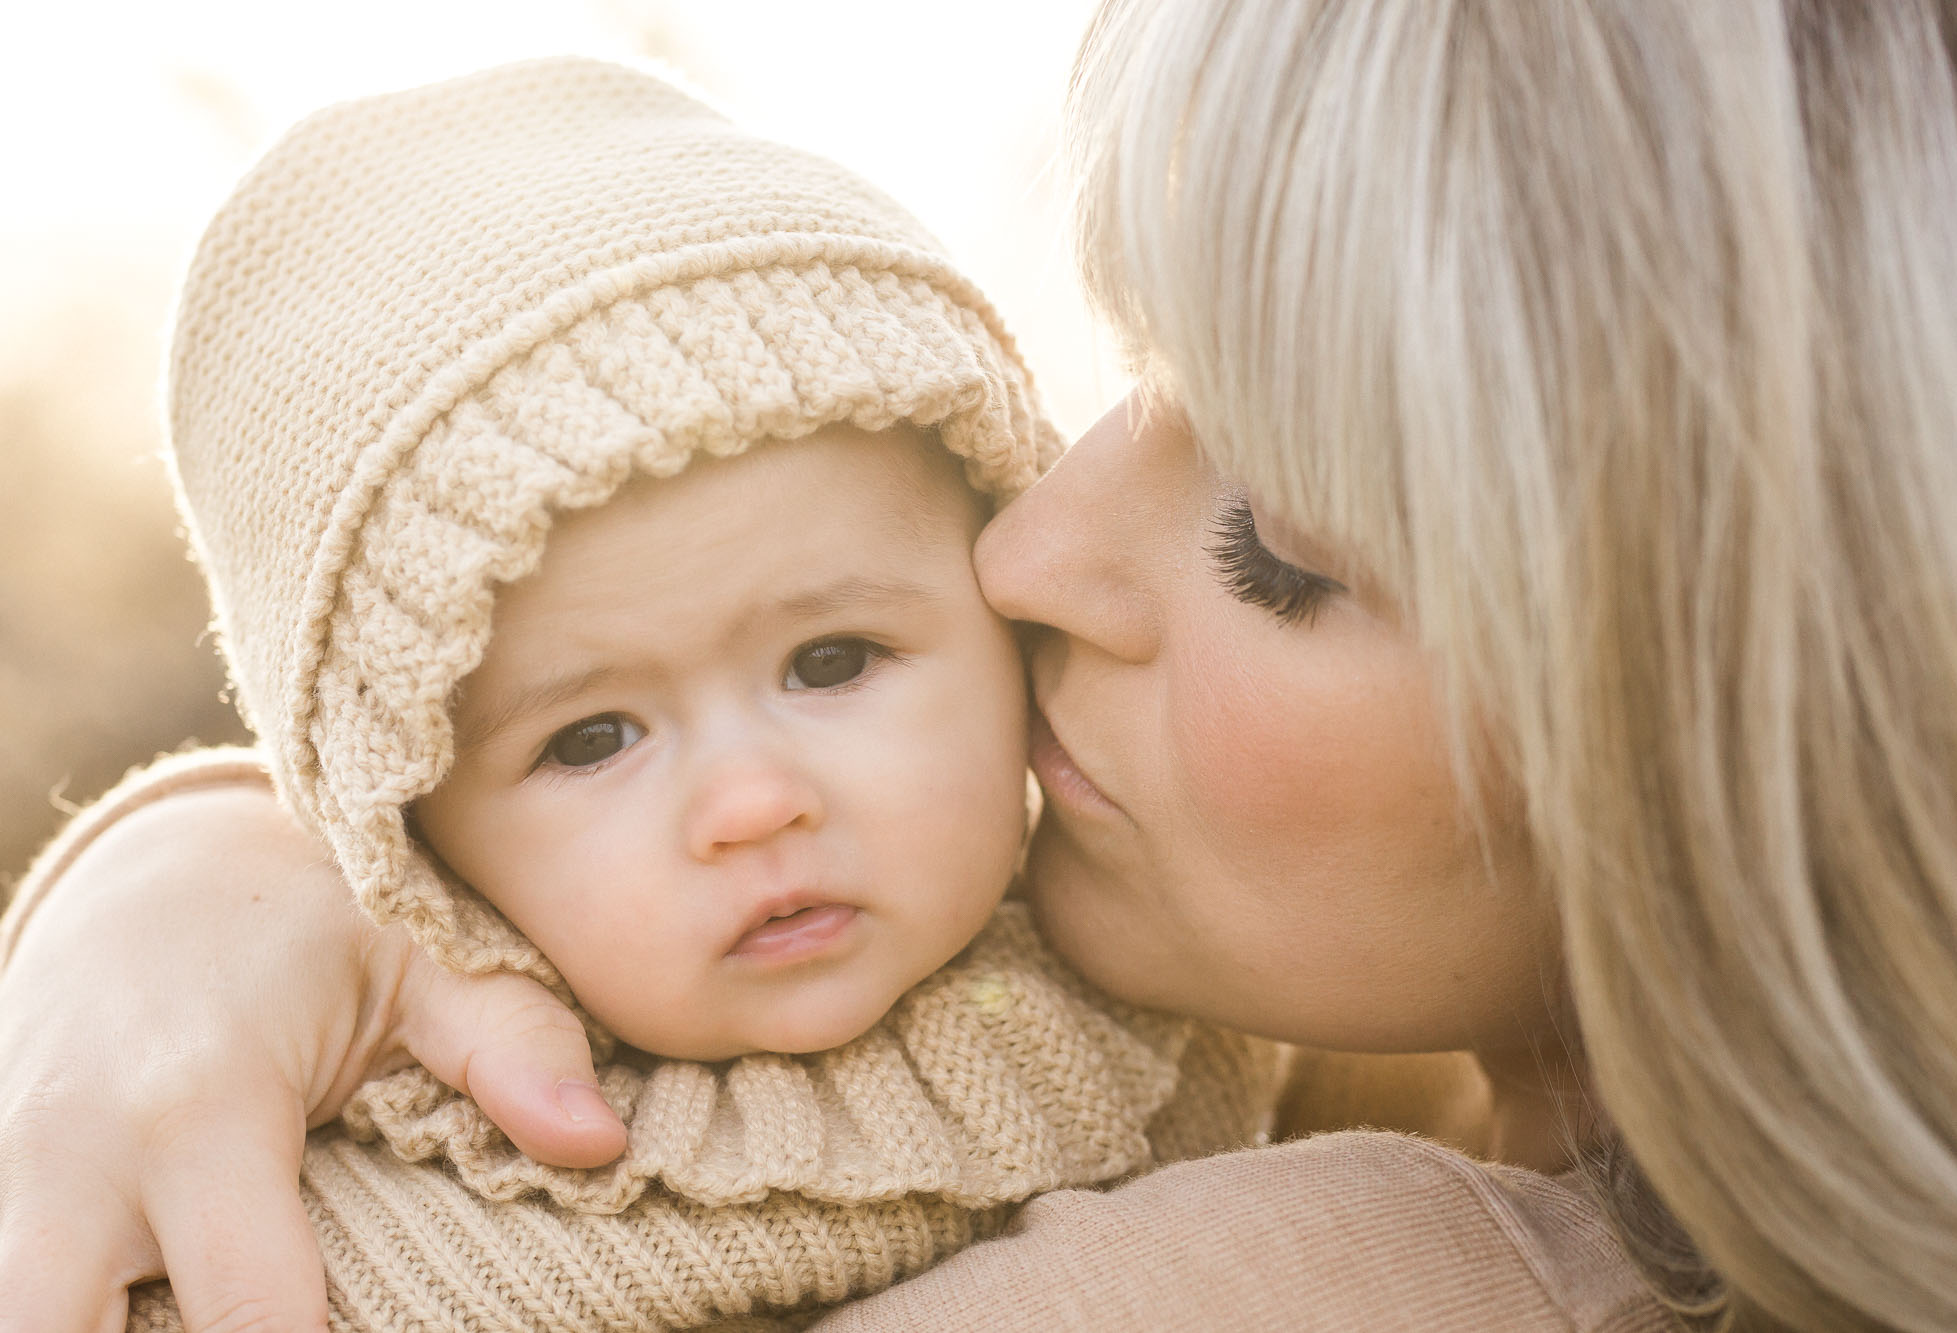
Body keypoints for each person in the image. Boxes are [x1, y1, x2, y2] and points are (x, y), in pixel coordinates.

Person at [4, 1, 1957, 1329]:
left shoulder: (1346, 1279)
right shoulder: (1245, 1070)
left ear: (1774, 724)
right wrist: (230, 859)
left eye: (1277, 546)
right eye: (1138, 374)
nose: (1028, 548)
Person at [67, 57, 1273, 1331]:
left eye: (832, 660)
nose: (752, 804)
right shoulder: (366, 1218)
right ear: (410, 840)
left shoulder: (1197, 950)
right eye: (590, 738)